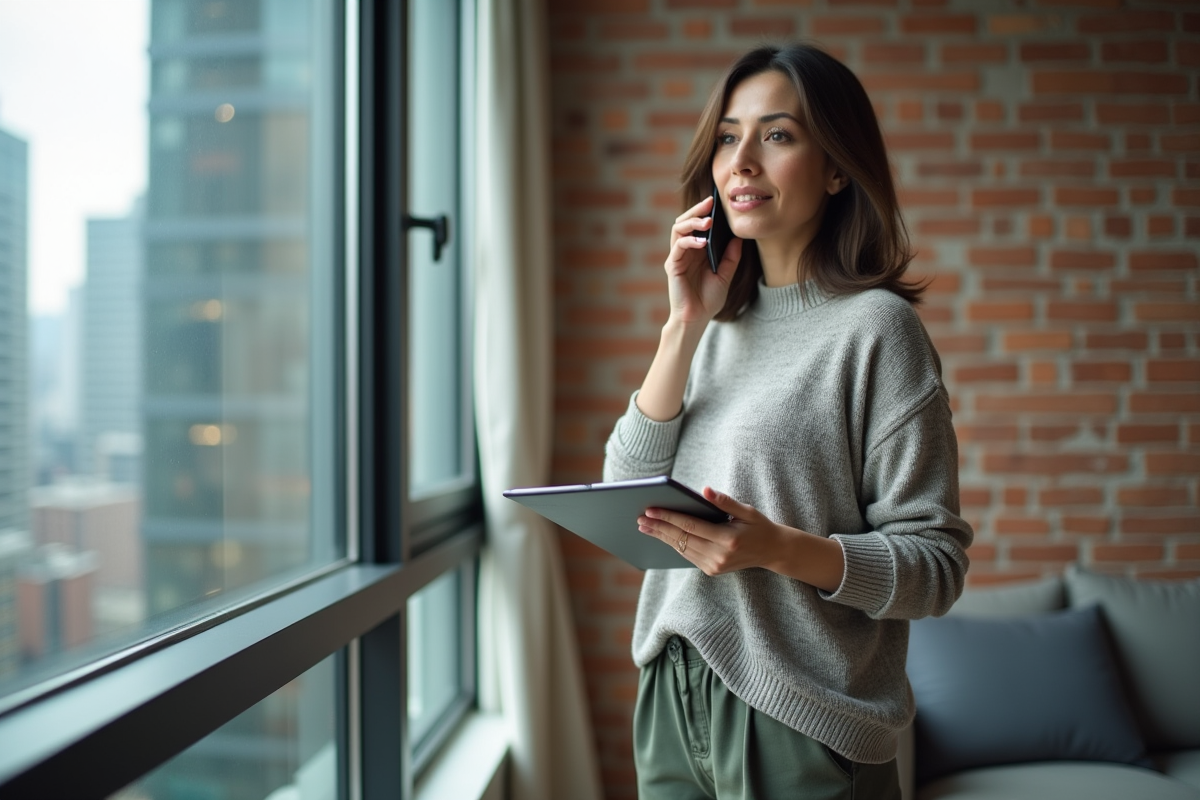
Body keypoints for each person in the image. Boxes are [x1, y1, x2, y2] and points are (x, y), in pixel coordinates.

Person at [601, 43, 973, 800]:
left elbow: (935, 569)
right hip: (672, 700)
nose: (742, 161)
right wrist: (682, 324)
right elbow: (624, 495)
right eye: (728, 137)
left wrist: (778, 549)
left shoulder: (876, 331)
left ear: (836, 168)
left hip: (802, 718)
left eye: (776, 135)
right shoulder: (711, 330)